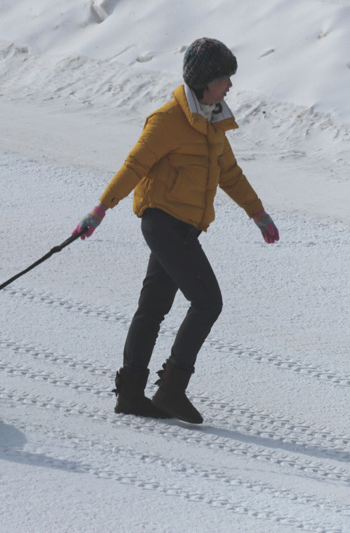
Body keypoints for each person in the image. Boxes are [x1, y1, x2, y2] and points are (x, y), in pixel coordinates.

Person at [73, 38, 279, 424]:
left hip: (184, 227)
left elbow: (230, 174)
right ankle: (171, 390)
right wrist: (100, 210)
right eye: (223, 79)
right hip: (164, 224)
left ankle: (132, 394)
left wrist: (259, 214)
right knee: (207, 302)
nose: (230, 86)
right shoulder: (168, 119)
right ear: (204, 83)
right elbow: (134, 166)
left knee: (153, 308)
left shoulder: (213, 121)